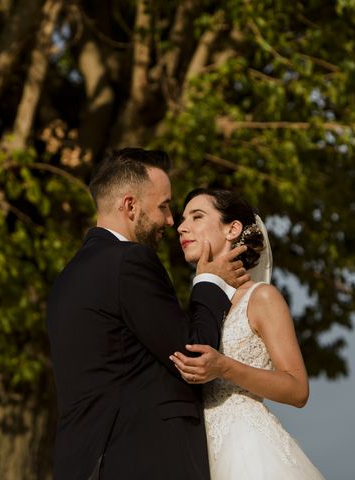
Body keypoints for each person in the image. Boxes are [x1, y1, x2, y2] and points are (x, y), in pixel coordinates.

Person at [46, 149, 248, 480]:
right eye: (164, 206)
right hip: (139, 461)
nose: (171, 221)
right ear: (130, 206)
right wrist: (209, 280)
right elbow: (193, 355)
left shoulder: (65, 280)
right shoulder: (129, 261)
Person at [171, 188, 325, 480]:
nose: (181, 227)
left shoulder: (262, 297)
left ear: (233, 229)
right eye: (182, 219)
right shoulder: (198, 305)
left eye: (197, 216)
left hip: (247, 452)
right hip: (196, 453)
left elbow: (298, 389)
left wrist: (223, 367)